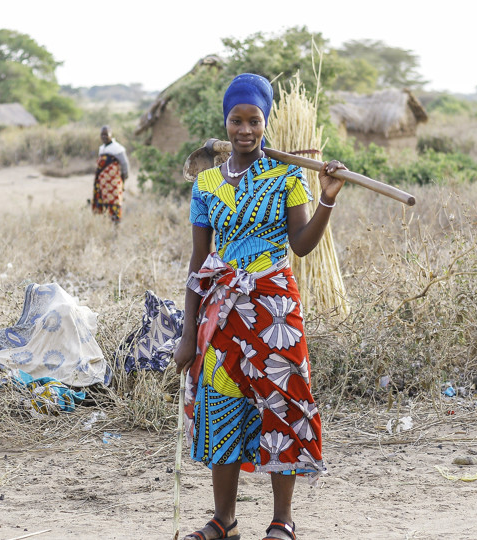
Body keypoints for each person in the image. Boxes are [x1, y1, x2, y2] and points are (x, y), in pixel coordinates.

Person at [173, 73, 347, 540]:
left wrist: (326, 200)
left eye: (254, 120)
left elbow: (302, 245)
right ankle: (223, 520)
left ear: (266, 123)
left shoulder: (288, 176)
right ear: (225, 122)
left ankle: (282, 520)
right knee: (220, 403)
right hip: (222, 308)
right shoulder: (207, 183)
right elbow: (197, 261)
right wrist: (188, 333)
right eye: (237, 120)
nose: (245, 129)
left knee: (282, 405)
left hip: (275, 311)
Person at [92, 125, 129, 223]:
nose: (104, 136)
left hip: (113, 183)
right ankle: (107, 225)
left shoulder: (117, 148)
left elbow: (125, 165)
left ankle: (116, 226)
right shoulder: (102, 148)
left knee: (115, 203)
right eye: (102, 134)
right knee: (104, 203)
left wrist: (123, 179)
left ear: (111, 135)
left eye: (106, 134)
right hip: (103, 184)